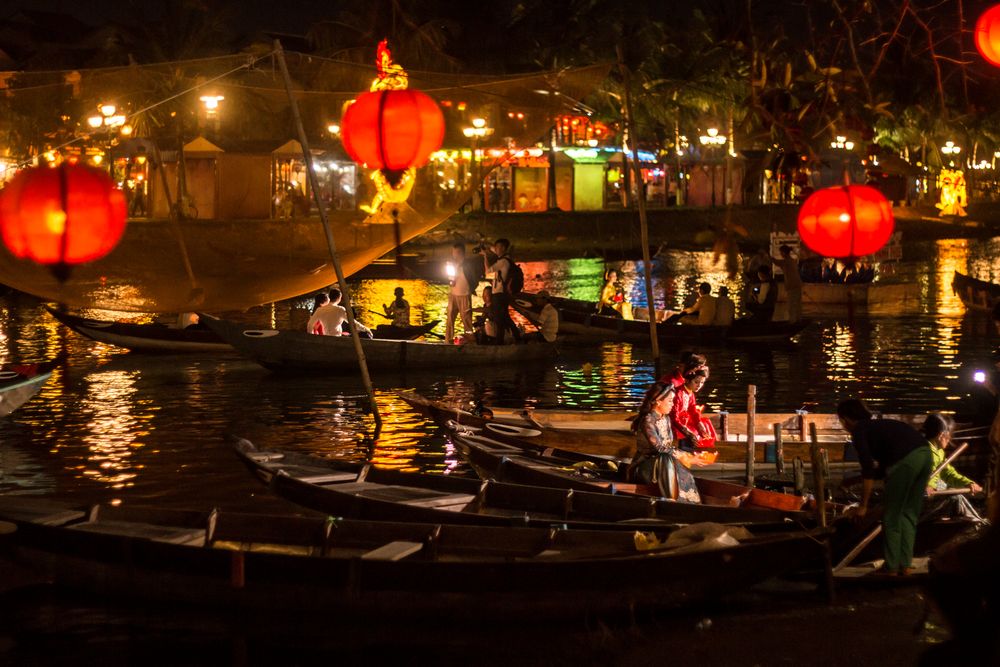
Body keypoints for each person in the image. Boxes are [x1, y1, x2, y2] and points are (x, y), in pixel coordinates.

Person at [836, 399, 933, 575]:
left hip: (906, 460)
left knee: (892, 516)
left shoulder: (859, 431)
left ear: (845, 420)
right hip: (926, 456)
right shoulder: (878, 427)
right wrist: (854, 480)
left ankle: (891, 567)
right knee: (908, 514)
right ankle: (905, 565)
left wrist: (863, 506)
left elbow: (868, 467)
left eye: (841, 422)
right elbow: (879, 470)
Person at [626, 382, 701, 503]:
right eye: (670, 401)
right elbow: (659, 448)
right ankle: (671, 500)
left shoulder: (666, 418)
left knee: (676, 462)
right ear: (658, 401)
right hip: (645, 467)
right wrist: (682, 455)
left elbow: (669, 447)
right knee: (666, 458)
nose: (673, 404)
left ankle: (690, 502)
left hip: (664, 465)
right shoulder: (648, 420)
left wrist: (689, 457)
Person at [924, 413, 983, 496]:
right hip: (919, 495)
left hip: (932, 490)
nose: (950, 439)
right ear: (941, 435)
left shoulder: (940, 452)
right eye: (950, 435)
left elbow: (948, 473)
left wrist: (967, 483)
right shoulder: (923, 451)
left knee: (952, 492)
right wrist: (927, 486)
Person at [480, 238, 521, 344]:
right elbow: (493, 250)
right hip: (502, 294)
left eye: (498, 247)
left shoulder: (502, 261)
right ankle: (515, 339)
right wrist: (488, 247)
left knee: (500, 321)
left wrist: (485, 256)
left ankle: (501, 343)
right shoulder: (507, 259)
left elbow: (488, 270)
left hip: (499, 295)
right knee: (504, 319)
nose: (496, 249)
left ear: (503, 248)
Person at [669, 368, 717, 452]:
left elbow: (693, 411)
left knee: (705, 423)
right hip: (674, 423)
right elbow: (673, 418)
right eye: (696, 382)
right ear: (687, 380)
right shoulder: (678, 393)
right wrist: (687, 431)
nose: (699, 385)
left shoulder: (690, 393)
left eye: (702, 382)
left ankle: (710, 446)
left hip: (683, 421)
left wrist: (699, 424)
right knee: (693, 432)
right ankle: (694, 449)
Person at [445, 243, 476, 344]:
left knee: (467, 321)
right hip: (453, 295)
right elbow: (450, 279)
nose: (454, 255)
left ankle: (471, 341)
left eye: (456, 252)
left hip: (464, 295)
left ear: (462, 253)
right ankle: (448, 340)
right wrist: (451, 281)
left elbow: (474, 279)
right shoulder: (451, 265)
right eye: (453, 252)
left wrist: (471, 289)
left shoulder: (468, 265)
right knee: (450, 319)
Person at [772, 244, 802, 323]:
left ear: (784, 253)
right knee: (797, 304)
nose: (780, 254)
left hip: (792, 285)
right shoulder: (791, 260)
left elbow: (776, 262)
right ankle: (798, 320)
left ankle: (792, 322)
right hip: (797, 284)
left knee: (792, 305)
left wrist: (767, 256)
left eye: (781, 252)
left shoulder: (786, 261)